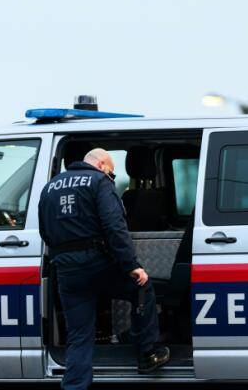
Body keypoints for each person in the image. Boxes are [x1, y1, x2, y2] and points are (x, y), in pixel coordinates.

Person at [38, 148, 170, 390]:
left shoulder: (50, 187)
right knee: (141, 287)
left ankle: (75, 386)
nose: (111, 176)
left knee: (78, 336)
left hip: (67, 272)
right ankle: (148, 354)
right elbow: (114, 227)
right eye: (111, 172)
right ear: (101, 165)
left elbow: (44, 232)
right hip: (98, 264)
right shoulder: (99, 182)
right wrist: (132, 266)